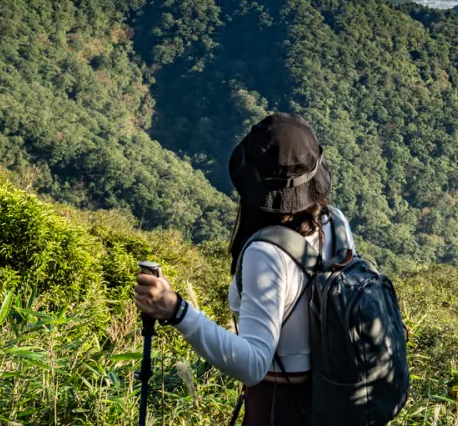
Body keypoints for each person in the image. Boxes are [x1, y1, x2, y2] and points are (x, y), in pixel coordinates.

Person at [134, 112, 352, 426]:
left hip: (280, 409)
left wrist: (176, 310)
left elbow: (253, 365)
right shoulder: (334, 222)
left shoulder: (266, 254)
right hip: (332, 402)